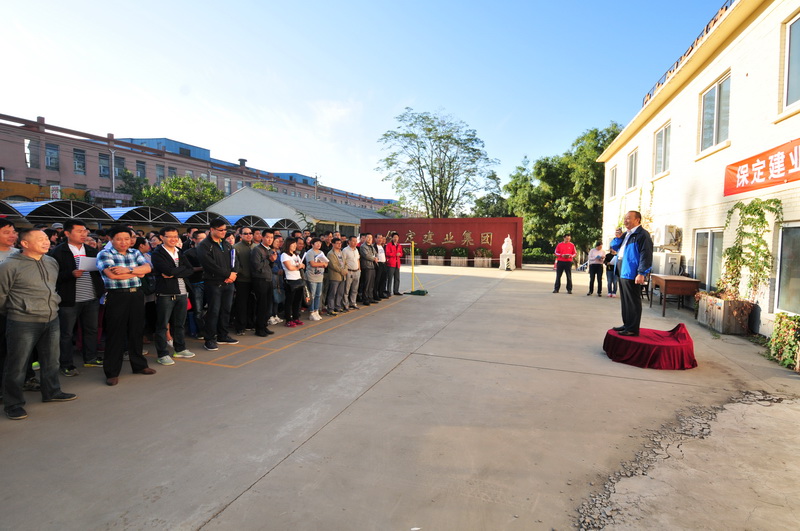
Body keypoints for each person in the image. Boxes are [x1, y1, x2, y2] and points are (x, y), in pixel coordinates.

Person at [0, 229, 77, 420]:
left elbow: (52, 288)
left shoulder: (51, 261)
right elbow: (1, 295)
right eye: (40, 239)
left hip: (51, 318)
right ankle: (13, 404)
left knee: (51, 359)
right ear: (25, 243)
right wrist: (17, 311)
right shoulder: (9, 265)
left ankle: (52, 392)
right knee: (17, 364)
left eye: (46, 239)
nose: (46, 242)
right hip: (22, 321)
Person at [96, 226, 157, 386]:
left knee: (136, 331)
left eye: (127, 239)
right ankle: (112, 372)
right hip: (117, 296)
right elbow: (112, 275)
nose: (123, 242)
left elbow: (147, 268)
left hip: (136, 294)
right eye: (119, 239)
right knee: (115, 333)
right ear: (111, 239)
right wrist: (137, 272)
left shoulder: (135, 252)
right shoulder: (105, 254)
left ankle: (139, 365)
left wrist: (127, 270)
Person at [50, 219, 105, 377]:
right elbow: (52, 276)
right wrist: (70, 274)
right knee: (66, 333)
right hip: (69, 299)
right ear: (67, 233)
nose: (84, 234)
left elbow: (99, 271)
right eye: (79, 231)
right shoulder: (58, 252)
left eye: (85, 231)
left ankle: (90, 357)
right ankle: (66, 364)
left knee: (91, 329)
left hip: (91, 296)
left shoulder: (91, 250)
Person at [151, 226, 196, 365]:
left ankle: (180, 349)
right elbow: (167, 270)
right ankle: (162, 354)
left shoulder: (179, 251)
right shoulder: (157, 253)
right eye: (169, 236)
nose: (173, 239)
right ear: (162, 238)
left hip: (182, 292)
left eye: (175, 236)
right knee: (162, 325)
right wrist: (176, 271)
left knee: (179, 324)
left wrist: (173, 272)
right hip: (166, 293)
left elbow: (190, 270)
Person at [196, 219, 239, 351]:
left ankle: (223, 335)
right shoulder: (204, 245)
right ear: (212, 230)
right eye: (221, 230)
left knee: (226, 310)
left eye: (225, 230)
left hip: (228, 282)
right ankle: (209, 339)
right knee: (213, 311)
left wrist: (234, 273)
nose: (223, 232)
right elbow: (210, 265)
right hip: (213, 283)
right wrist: (228, 274)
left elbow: (234, 260)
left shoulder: (226, 244)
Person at [611, 211, 653, 336]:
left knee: (633, 301)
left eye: (628, 218)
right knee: (625, 300)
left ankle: (633, 329)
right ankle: (627, 324)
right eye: (625, 218)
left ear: (637, 220)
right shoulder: (627, 234)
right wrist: (618, 237)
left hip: (632, 271)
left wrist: (641, 273)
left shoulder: (642, 235)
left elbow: (646, 255)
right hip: (622, 268)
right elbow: (614, 246)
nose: (625, 221)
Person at [250, 230, 275, 336]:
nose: (270, 239)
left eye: (271, 238)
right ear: (262, 237)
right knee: (261, 305)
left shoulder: (269, 250)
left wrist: (272, 261)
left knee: (267, 305)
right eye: (267, 237)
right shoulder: (257, 250)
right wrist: (269, 259)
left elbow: (270, 266)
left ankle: (264, 326)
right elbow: (257, 266)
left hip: (268, 279)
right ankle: (259, 328)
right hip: (260, 280)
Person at [233, 227, 255, 334]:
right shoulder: (236, 247)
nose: (248, 235)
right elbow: (234, 264)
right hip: (242, 280)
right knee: (241, 304)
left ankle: (250, 324)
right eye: (245, 233)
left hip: (255, 280)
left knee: (252, 303)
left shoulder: (256, 247)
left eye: (250, 233)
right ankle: (240, 327)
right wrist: (242, 272)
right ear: (240, 235)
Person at [281, 237, 305, 327]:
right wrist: (299, 266)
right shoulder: (284, 255)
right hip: (290, 280)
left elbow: (302, 265)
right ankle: (288, 319)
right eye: (293, 244)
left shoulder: (296, 255)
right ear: (288, 244)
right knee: (289, 301)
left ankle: (296, 317)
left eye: (295, 244)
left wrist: (299, 266)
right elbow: (289, 267)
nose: (295, 246)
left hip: (298, 278)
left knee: (297, 301)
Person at [303, 238, 327, 321]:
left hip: (320, 276)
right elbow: (312, 264)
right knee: (312, 295)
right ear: (312, 244)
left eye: (320, 243)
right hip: (312, 277)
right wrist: (322, 264)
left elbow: (326, 263)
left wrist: (323, 264)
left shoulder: (321, 252)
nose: (319, 244)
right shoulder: (310, 252)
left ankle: (316, 310)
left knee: (318, 295)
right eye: (316, 243)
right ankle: (311, 312)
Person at [326, 237, 347, 315]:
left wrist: (346, 270)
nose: (339, 245)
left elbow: (345, 263)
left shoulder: (342, 252)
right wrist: (342, 271)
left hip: (343, 276)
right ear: (333, 244)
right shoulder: (330, 254)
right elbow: (333, 265)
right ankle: (330, 308)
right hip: (335, 276)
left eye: (340, 243)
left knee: (340, 293)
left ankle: (338, 307)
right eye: (337, 243)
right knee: (332, 293)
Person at [358, 233, 378, 306]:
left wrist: (376, 257)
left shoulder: (372, 246)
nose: (369, 239)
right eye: (368, 237)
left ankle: (370, 297)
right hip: (366, 267)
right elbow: (366, 255)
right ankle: (365, 298)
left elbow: (375, 253)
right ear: (365, 238)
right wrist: (374, 258)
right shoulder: (363, 246)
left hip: (372, 266)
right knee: (366, 283)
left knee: (371, 284)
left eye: (371, 238)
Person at [342, 236, 361, 310]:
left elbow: (358, 260)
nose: (355, 242)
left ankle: (353, 302)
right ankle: (345, 304)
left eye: (356, 241)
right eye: (353, 241)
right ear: (349, 241)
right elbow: (343, 262)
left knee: (355, 289)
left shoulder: (356, 250)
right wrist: (345, 271)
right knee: (346, 289)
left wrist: (359, 269)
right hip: (349, 271)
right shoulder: (345, 250)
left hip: (356, 271)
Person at [605, 229, 622, 298]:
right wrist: (607, 263)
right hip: (609, 269)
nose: (614, 249)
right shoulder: (608, 255)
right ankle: (609, 292)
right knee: (609, 281)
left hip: (615, 269)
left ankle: (614, 292)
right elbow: (605, 261)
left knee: (615, 282)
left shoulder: (618, 255)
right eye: (612, 248)